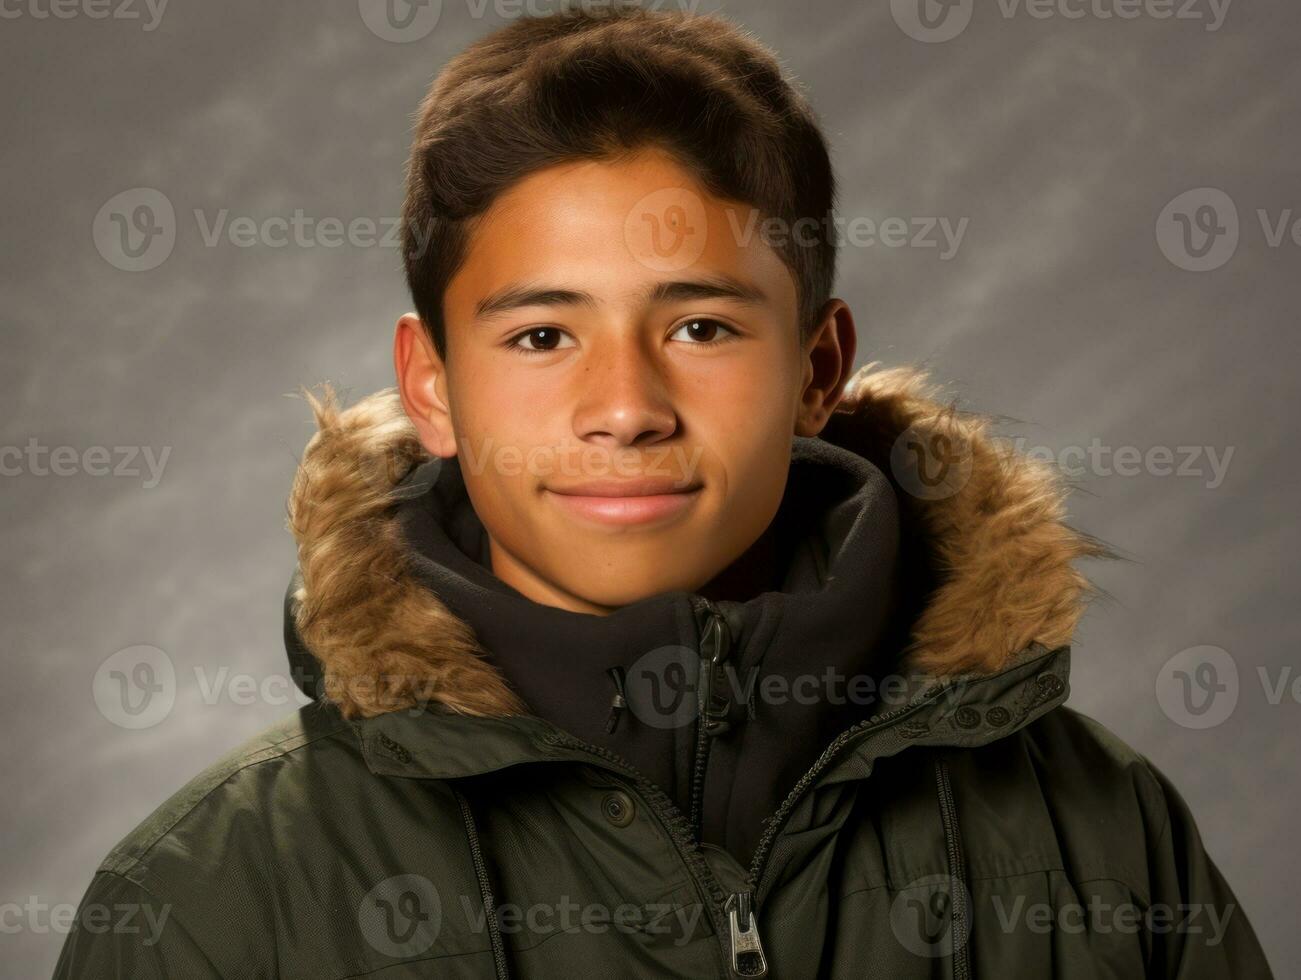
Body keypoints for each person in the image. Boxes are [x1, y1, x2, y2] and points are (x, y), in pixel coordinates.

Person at [54, 6, 1273, 978]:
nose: (625, 404)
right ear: (432, 387)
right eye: (540, 337)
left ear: (816, 368)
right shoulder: (208, 900)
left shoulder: (1097, 838)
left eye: (697, 323)